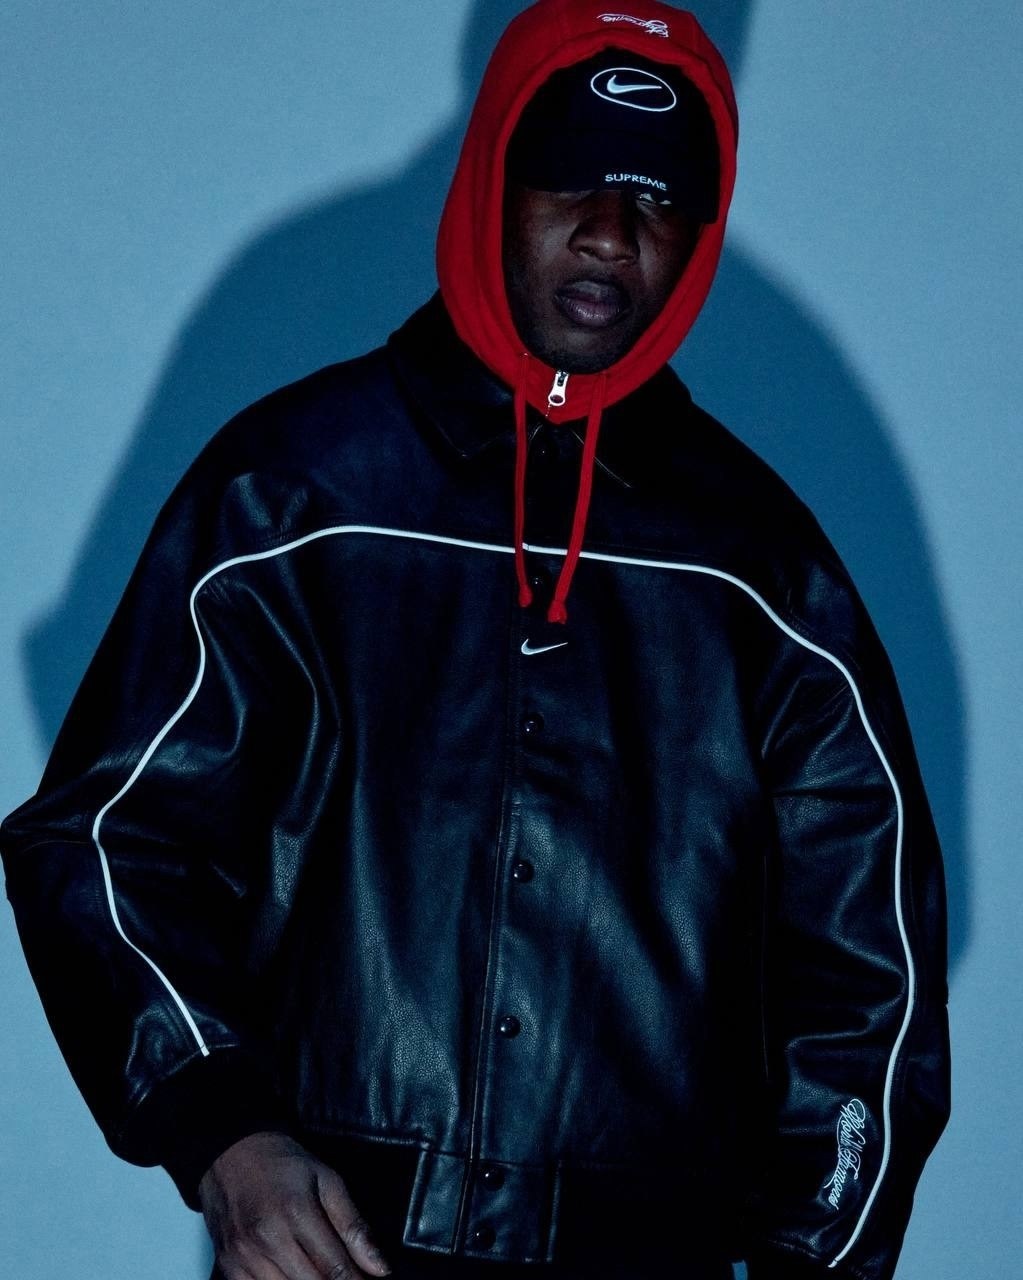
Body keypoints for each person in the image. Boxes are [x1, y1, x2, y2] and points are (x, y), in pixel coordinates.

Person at [0, 2, 949, 1278]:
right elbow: (104, 839)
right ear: (496, 172)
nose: (612, 230)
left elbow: (872, 985)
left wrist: (809, 1258)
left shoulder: (765, 572)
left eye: (661, 197)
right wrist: (224, 1133)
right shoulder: (293, 495)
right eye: (573, 176)